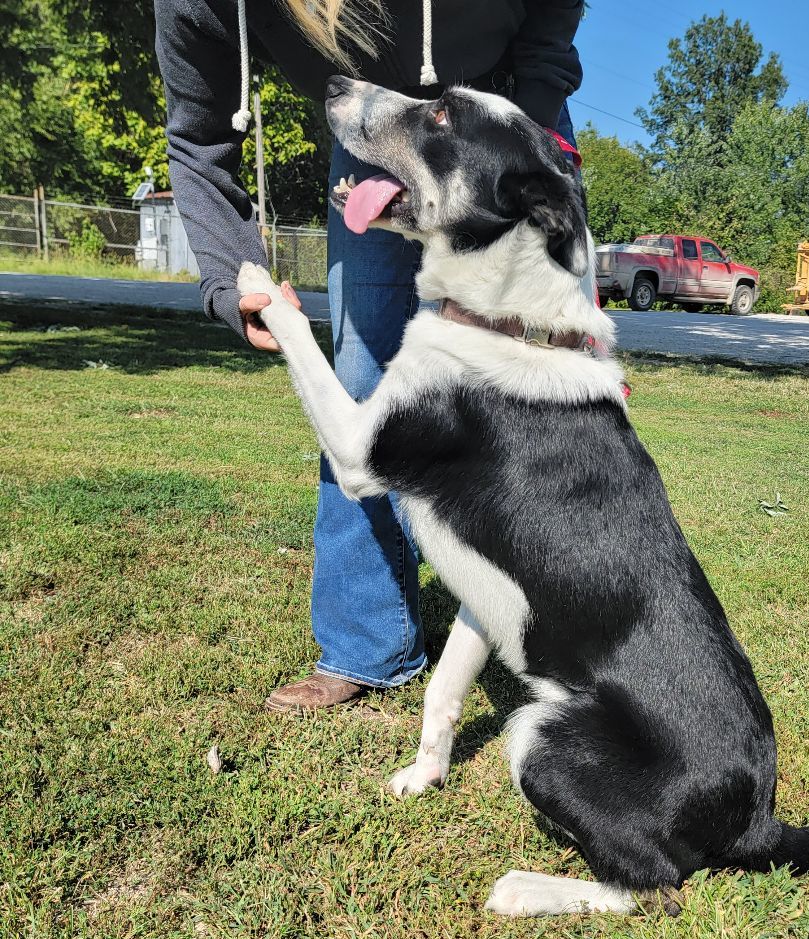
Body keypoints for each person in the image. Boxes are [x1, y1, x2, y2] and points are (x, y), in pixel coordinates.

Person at [154, 0, 584, 711]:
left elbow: (553, 14)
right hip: (377, 139)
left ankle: (568, 625)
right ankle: (367, 642)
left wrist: (525, 131)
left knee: (535, 393)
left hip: (505, 124)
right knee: (362, 372)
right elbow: (198, 141)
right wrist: (232, 277)